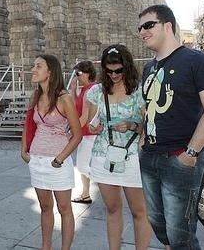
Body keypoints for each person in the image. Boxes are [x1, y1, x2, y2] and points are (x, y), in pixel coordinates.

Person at [138, 4, 204, 249]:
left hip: (180, 159)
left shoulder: (197, 61)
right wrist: (143, 143)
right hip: (150, 156)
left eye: (148, 25)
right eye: (140, 27)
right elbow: (149, 109)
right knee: (159, 226)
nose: (142, 31)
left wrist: (191, 154)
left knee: (180, 236)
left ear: (168, 26)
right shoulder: (148, 68)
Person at [85, 45, 152, 250]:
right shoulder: (97, 91)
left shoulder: (139, 91)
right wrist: (94, 127)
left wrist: (131, 125)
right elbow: (91, 121)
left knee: (139, 211)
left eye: (118, 70)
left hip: (132, 157)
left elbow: (149, 126)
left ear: (127, 67)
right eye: (109, 70)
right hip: (104, 157)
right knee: (112, 209)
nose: (113, 74)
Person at [21, 54, 83, 250]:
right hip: (37, 161)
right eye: (34, 65)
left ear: (50, 72)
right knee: (45, 208)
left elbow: (77, 134)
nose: (33, 69)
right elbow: (28, 124)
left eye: (38, 66)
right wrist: (24, 149)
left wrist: (59, 159)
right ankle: (45, 247)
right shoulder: (35, 96)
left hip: (58, 163)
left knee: (64, 209)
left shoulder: (64, 98)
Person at [69, 60, 97, 204]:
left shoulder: (90, 90)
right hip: (86, 133)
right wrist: (73, 90)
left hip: (89, 134)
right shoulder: (85, 89)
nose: (77, 76)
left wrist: (72, 132)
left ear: (87, 73)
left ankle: (106, 180)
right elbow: (75, 109)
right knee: (83, 164)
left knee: (82, 165)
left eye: (78, 73)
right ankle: (85, 194)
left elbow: (85, 117)